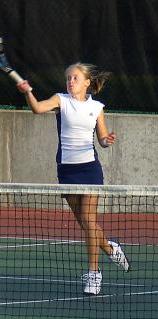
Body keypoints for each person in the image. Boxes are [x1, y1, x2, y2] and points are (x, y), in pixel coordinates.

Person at [17, 62, 130, 295]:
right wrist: (28, 92)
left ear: (87, 82)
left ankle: (94, 273)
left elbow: (100, 139)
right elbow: (37, 109)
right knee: (83, 222)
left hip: (90, 169)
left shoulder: (97, 107)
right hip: (66, 170)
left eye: (75, 78)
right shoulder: (60, 100)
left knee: (89, 220)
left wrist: (106, 141)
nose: (70, 81)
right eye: (68, 78)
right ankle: (110, 248)